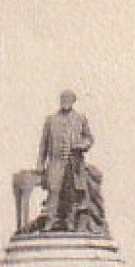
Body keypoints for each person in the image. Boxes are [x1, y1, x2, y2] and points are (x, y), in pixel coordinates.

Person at [36, 90, 93, 231]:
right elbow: (43, 143)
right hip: (55, 162)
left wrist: (81, 145)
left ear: (73, 101)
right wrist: (40, 163)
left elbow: (89, 138)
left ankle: (70, 221)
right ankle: (50, 220)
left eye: (68, 98)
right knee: (54, 190)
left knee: (71, 193)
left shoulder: (80, 118)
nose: (65, 101)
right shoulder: (51, 119)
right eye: (63, 98)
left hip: (74, 162)